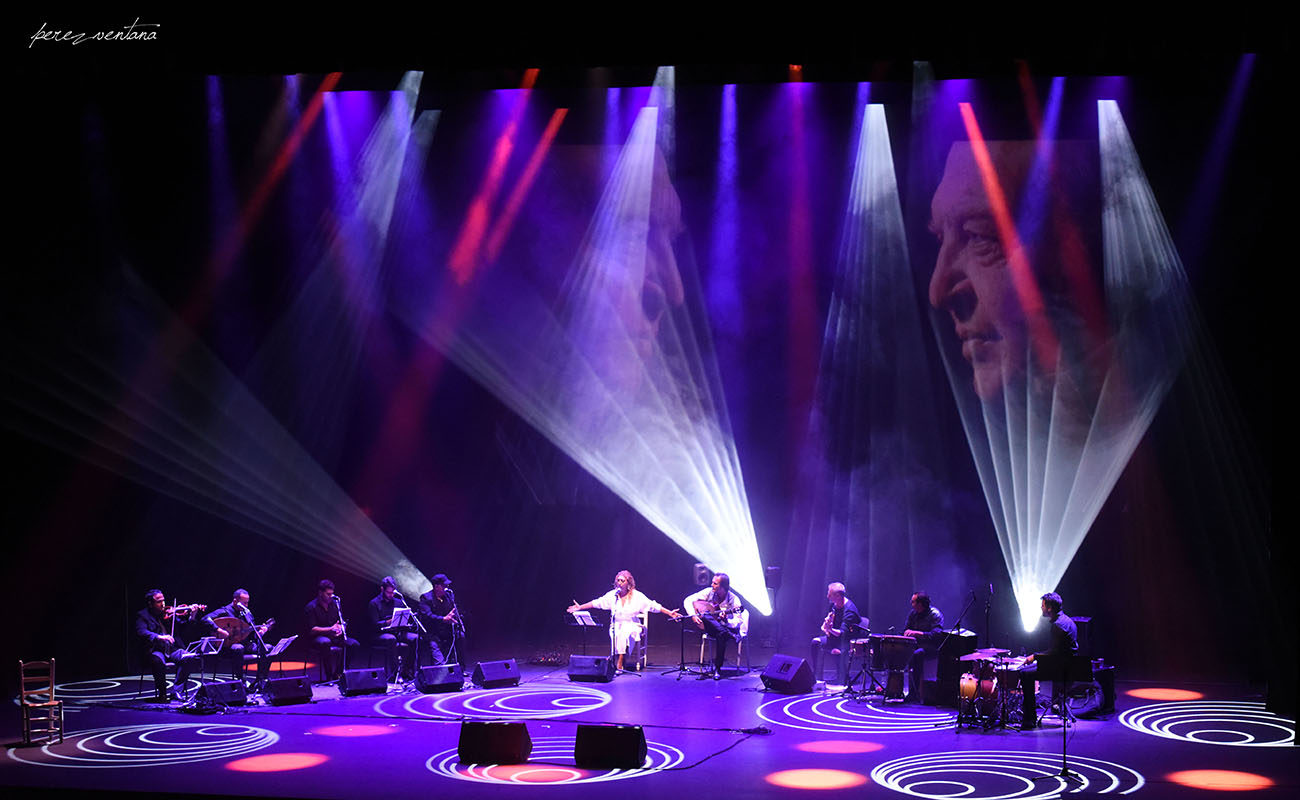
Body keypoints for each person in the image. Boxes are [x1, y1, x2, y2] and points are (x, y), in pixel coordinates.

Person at [568, 570, 681, 672]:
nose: (619, 583)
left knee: (623, 632)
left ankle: (620, 662)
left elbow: (653, 606)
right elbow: (596, 602)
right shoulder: (613, 595)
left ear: (628, 583)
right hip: (616, 625)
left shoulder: (637, 596)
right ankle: (619, 659)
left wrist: (670, 612)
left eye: (622, 580)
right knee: (617, 632)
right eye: (618, 580)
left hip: (633, 625)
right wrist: (580, 607)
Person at [1019, 591, 1080, 728]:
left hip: (1060, 668)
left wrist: (1034, 657)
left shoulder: (1057, 626)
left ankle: (1029, 719)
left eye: (1042, 605)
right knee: (1027, 670)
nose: (1041, 608)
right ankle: (1030, 716)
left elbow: (1054, 653)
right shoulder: (1067, 620)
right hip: (1067, 665)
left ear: (1049, 608)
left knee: (1024, 673)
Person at [135, 589, 199, 702]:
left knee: (188, 657)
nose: (163, 604)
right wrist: (160, 637)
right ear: (150, 603)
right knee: (157, 661)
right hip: (156, 649)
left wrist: (192, 616)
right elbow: (141, 631)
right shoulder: (143, 615)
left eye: (163, 601)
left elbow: (184, 628)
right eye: (159, 602)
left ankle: (177, 692)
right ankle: (162, 693)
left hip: (172, 649)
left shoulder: (169, 614)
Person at [202, 588, 273, 687]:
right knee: (238, 648)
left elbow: (252, 634)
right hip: (228, 647)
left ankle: (260, 680)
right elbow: (205, 619)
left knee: (268, 648)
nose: (246, 606)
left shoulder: (247, 613)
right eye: (244, 603)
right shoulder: (225, 611)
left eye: (247, 603)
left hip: (246, 645)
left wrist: (260, 633)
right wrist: (219, 630)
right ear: (235, 601)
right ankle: (241, 682)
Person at [683, 572, 744, 679]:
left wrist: (726, 620)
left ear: (723, 587)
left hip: (727, 627)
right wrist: (692, 615)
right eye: (712, 582)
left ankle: (717, 668)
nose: (712, 585)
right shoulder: (709, 592)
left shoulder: (734, 600)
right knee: (706, 615)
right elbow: (687, 600)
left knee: (721, 635)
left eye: (715, 584)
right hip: (712, 627)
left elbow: (738, 621)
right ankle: (729, 635)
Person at [368, 576, 423, 681]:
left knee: (416, 638)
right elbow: (374, 625)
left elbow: (404, 619)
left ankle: (407, 670)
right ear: (382, 589)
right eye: (389, 592)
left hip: (397, 631)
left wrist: (407, 621)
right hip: (380, 634)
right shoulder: (374, 603)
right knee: (391, 639)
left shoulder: (398, 602)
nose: (391, 595)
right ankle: (394, 673)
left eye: (393, 592)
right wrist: (389, 622)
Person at [810, 582, 864, 687]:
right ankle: (817, 677)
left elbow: (842, 633)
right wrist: (827, 623)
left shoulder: (849, 611)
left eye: (830, 594)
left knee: (838, 650)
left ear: (838, 596)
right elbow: (831, 620)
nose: (827, 596)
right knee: (815, 643)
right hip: (835, 638)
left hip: (848, 641)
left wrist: (829, 629)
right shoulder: (834, 605)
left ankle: (843, 677)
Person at [305, 579, 358, 682]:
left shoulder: (335, 604)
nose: (330, 596)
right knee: (325, 642)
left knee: (354, 644)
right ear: (320, 593)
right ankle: (328, 675)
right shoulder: (311, 607)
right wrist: (330, 629)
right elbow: (312, 629)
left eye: (332, 594)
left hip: (334, 636)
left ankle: (338, 673)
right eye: (328, 594)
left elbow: (341, 621)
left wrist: (341, 629)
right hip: (317, 638)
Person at [903, 591, 944, 702]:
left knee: (917, 654)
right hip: (915, 645)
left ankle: (914, 693)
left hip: (931, 647)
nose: (911, 604)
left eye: (913, 602)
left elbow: (936, 635)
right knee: (898, 650)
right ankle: (894, 690)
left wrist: (917, 633)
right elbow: (906, 629)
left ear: (920, 604)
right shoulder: (913, 614)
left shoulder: (935, 615)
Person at [417, 574, 461, 667]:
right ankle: (440, 671)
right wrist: (443, 619)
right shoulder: (426, 598)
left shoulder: (448, 596)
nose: (447, 587)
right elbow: (427, 616)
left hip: (446, 631)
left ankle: (461, 668)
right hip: (432, 632)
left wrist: (454, 617)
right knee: (437, 653)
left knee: (461, 636)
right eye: (444, 585)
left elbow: (453, 610)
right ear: (436, 586)